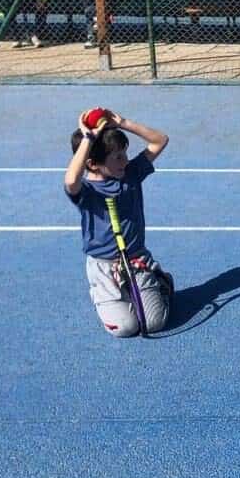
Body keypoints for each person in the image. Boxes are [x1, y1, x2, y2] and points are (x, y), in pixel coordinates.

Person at [64, 109, 172, 337]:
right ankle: (105, 296)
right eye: (118, 157)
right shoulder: (87, 190)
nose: (126, 160)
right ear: (92, 164)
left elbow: (160, 140)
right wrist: (88, 138)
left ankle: (158, 280)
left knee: (153, 323)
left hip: (136, 259)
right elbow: (71, 180)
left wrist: (123, 123)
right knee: (125, 328)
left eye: (125, 153)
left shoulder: (130, 174)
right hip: (103, 267)